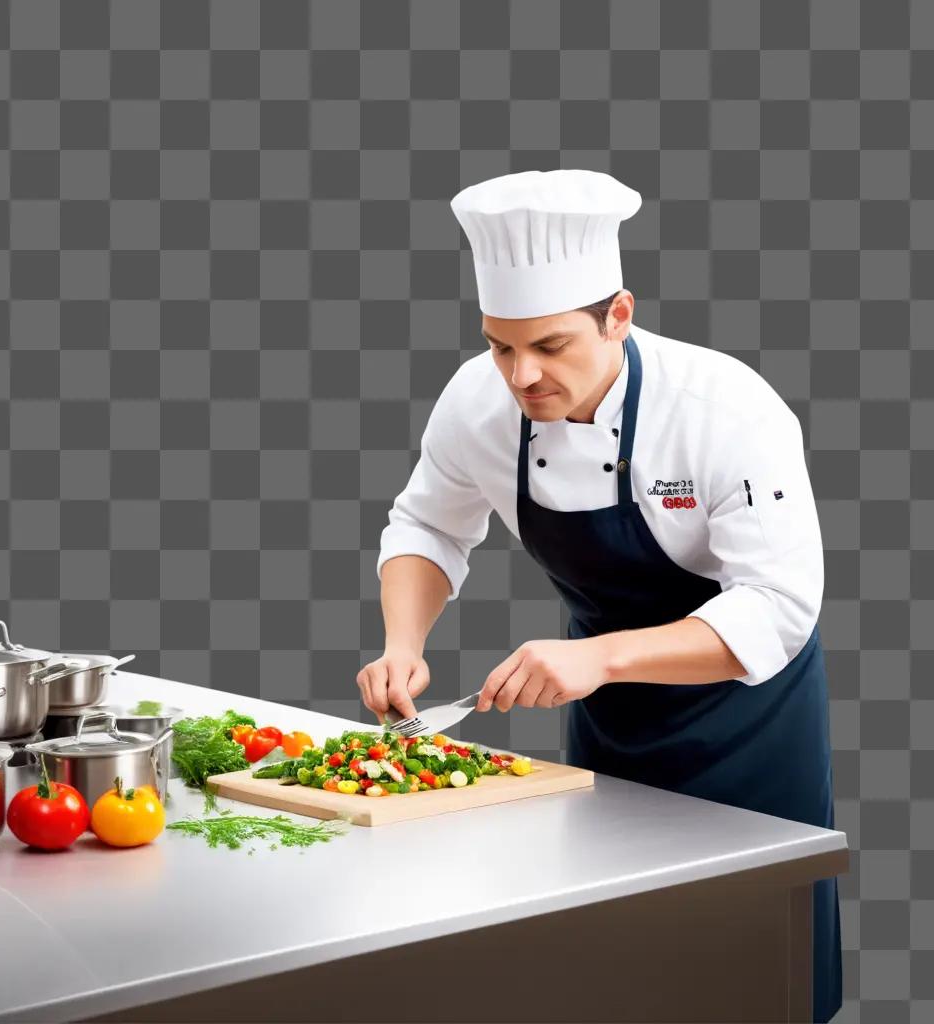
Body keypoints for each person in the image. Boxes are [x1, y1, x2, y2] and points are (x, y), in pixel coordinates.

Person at [356, 169, 841, 1023]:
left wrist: (598, 657)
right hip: (608, 713)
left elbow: (777, 605)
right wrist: (403, 642)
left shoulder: (726, 410)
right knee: (623, 959)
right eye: (501, 345)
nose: (520, 375)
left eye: (549, 347)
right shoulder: (479, 399)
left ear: (617, 316)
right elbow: (427, 528)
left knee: (755, 964)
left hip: (749, 719)